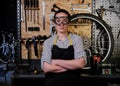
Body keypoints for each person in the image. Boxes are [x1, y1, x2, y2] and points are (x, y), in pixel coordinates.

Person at [41, 9, 87, 86]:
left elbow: (81, 64)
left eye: (64, 20)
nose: (61, 24)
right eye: (58, 20)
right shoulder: (48, 42)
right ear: (54, 23)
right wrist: (72, 67)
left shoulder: (76, 39)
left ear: (68, 23)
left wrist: (56, 62)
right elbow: (46, 68)